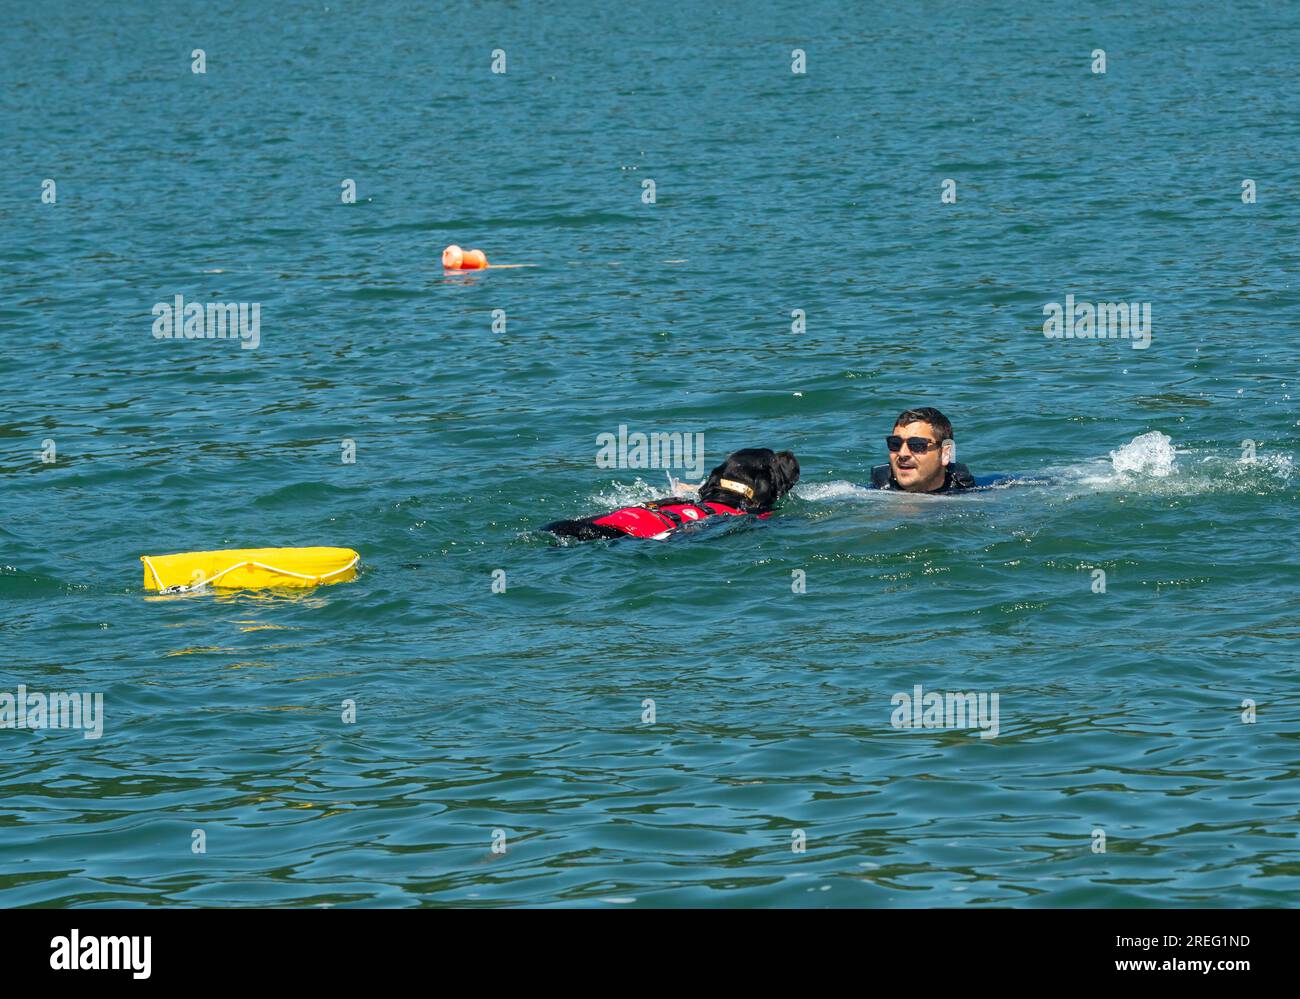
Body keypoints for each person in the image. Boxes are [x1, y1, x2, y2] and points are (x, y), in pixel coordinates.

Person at [870, 407, 977, 494]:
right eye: (895, 443)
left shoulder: (977, 492)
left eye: (917, 445)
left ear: (945, 453)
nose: (902, 453)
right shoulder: (869, 493)